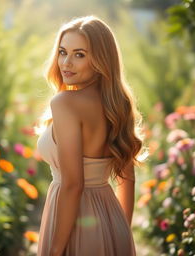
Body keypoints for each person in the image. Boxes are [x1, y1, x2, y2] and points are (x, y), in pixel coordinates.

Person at [36, 15, 146, 256]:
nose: (66, 63)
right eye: (63, 52)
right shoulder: (118, 105)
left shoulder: (65, 103)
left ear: (101, 60)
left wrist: (55, 250)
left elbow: (73, 184)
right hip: (111, 221)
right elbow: (127, 179)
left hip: (73, 224)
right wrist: (120, 232)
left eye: (80, 54)